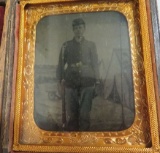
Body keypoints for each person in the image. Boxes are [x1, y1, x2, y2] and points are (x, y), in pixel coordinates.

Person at [56, 18, 99, 131]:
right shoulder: (66, 45)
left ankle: (84, 138)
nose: (78, 30)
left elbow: (95, 64)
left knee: (85, 113)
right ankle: (72, 139)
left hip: (87, 81)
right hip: (70, 81)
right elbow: (61, 64)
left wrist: (97, 81)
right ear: (73, 30)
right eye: (75, 28)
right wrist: (60, 80)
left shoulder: (91, 45)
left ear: (84, 29)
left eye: (80, 28)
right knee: (72, 113)